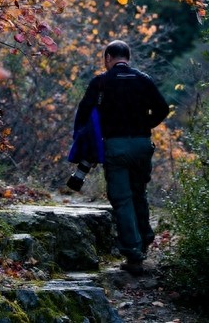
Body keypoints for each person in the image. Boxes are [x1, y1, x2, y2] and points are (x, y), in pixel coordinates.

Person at [72, 39, 170, 275]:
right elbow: (163, 109)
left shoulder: (101, 82)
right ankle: (145, 239)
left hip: (115, 147)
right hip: (142, 145)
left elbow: (84, 113)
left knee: (122, 199)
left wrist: (86, 143)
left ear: (108, 58)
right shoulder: (143, 80)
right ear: (128, 57)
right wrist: (144, 124)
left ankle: (133, 254)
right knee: (139, 193)